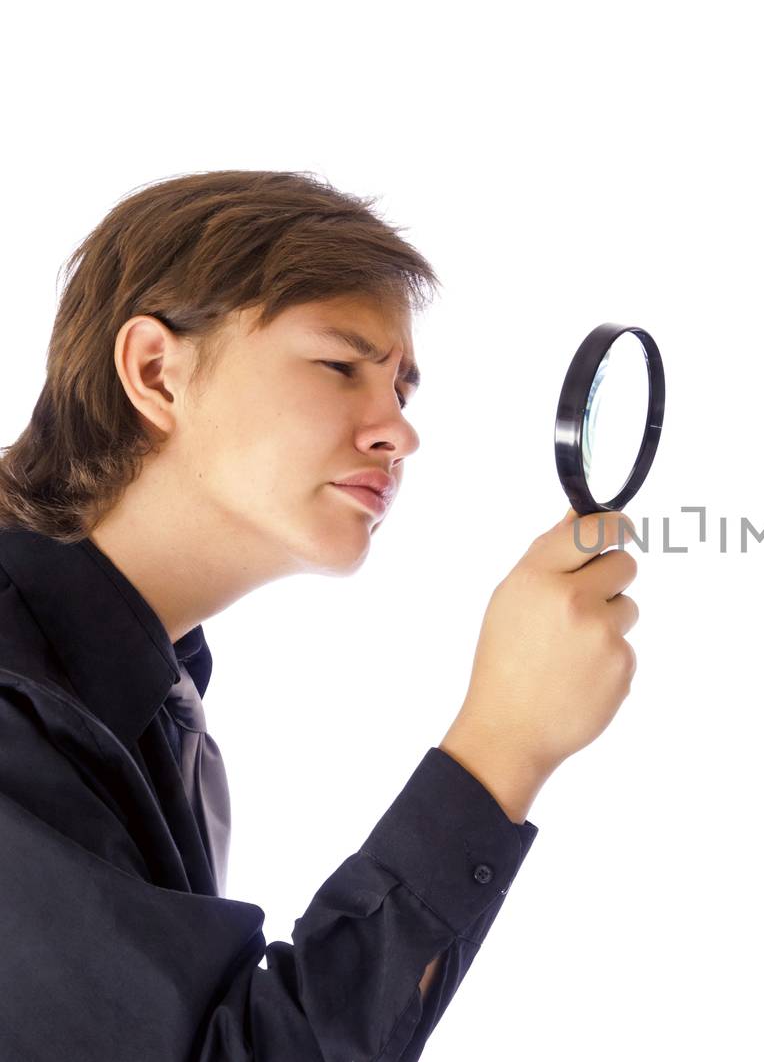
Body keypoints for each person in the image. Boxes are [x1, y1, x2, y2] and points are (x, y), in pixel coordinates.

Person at [0, 170, 641, 1060]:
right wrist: (500, 746)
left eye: (402, 392)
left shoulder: (147, 693)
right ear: (156, 372)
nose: (398, 432)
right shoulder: (17, 697)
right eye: (341, 365)